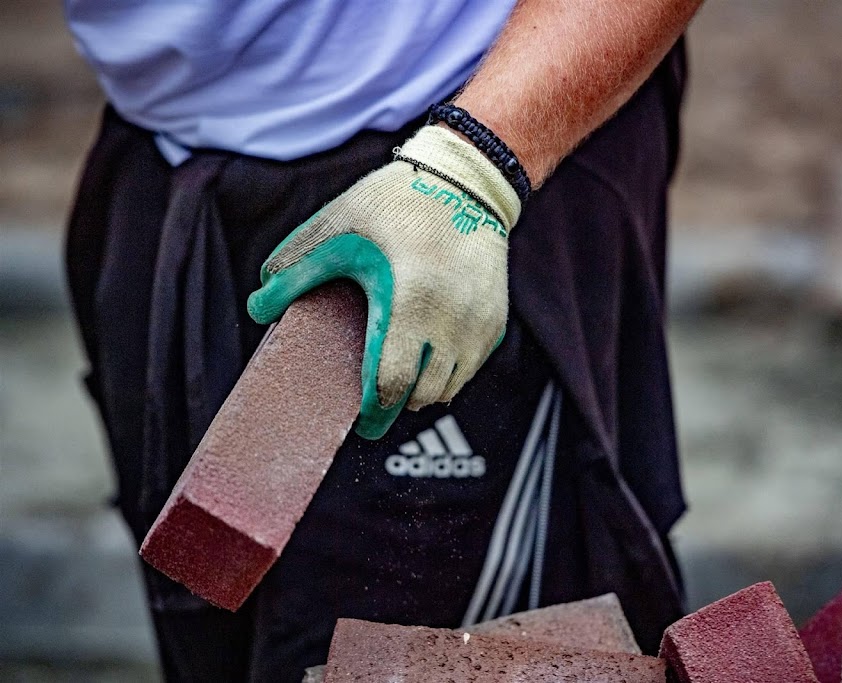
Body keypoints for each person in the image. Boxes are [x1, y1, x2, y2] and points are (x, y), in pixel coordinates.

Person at [63, 0, 703, 679]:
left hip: (459, 158)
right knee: (211, 624)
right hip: (158, 155)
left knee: (466, 652)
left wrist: (475, 170)